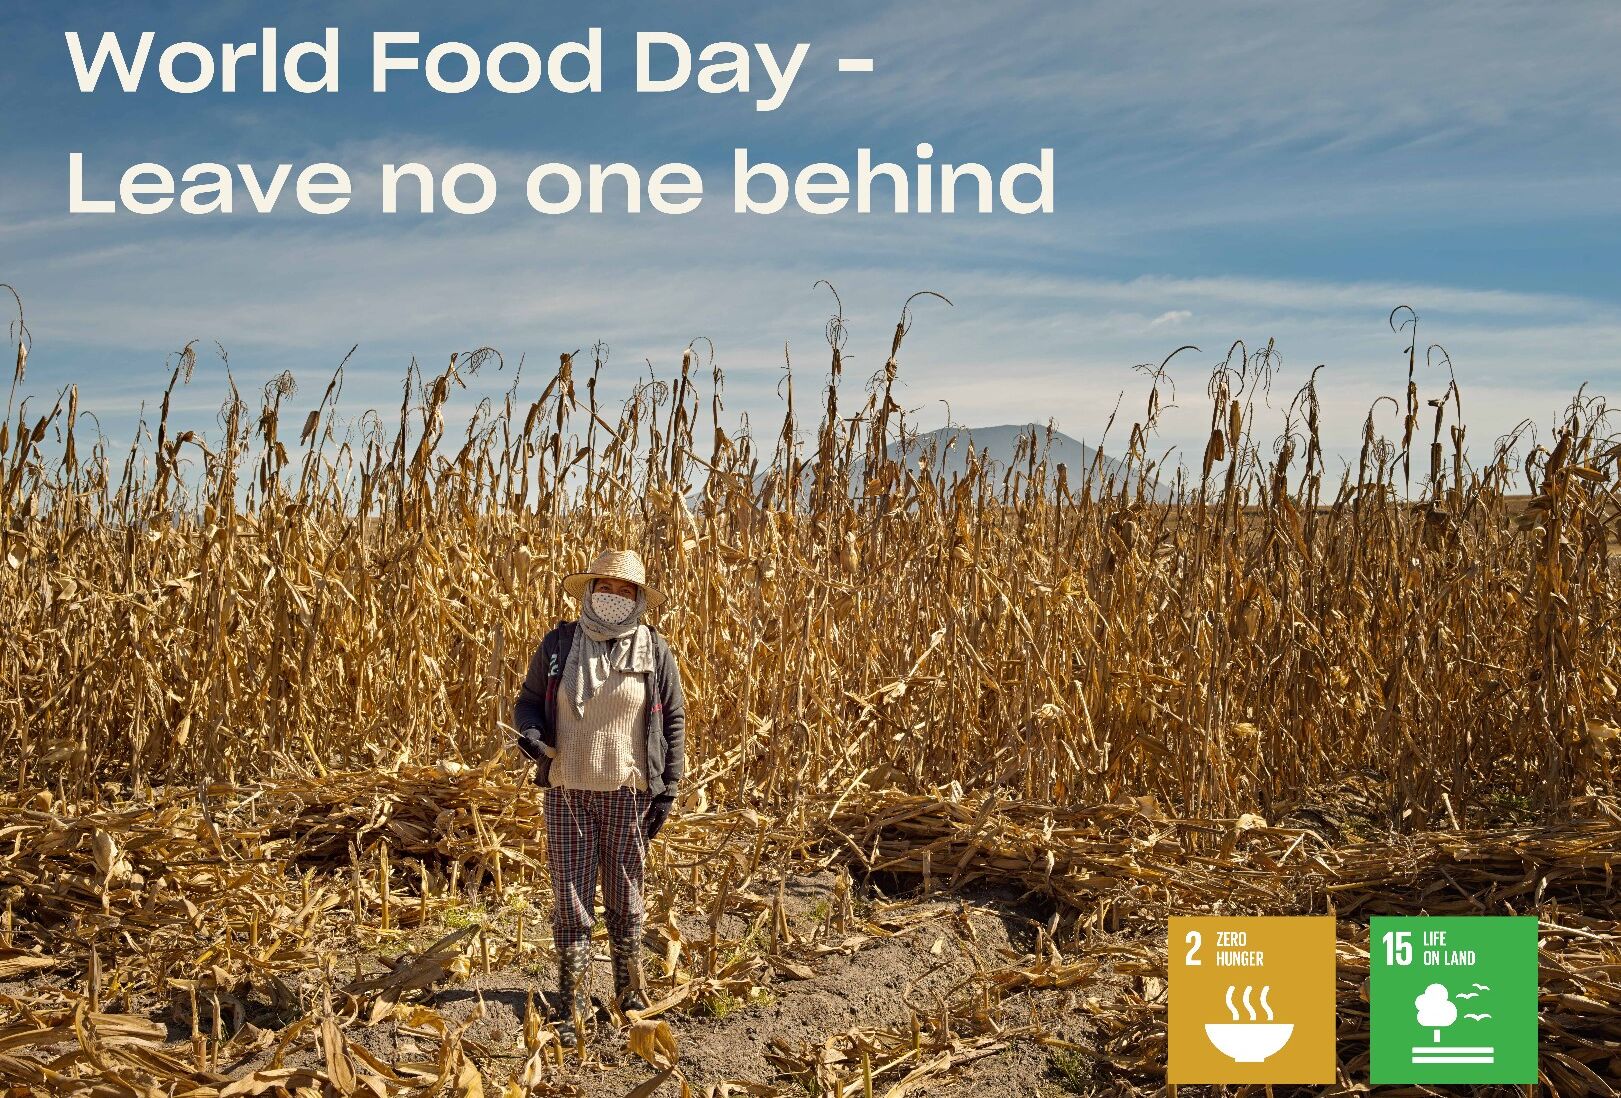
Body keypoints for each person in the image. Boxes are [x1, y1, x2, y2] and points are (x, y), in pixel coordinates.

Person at [513, 548, 686, 1048]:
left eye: (624, 590)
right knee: (570, 898)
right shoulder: (559, 644)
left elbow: (672, 722)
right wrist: (530, 732)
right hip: (568, 787)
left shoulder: (655, 650)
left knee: (626, 897)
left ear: (638, 600)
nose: (612, 596)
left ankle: (629, 995)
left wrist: (668, 789)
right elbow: (528, 701)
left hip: (628, 793)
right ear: (590, 591)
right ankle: (571, 1006)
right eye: (604, 587)